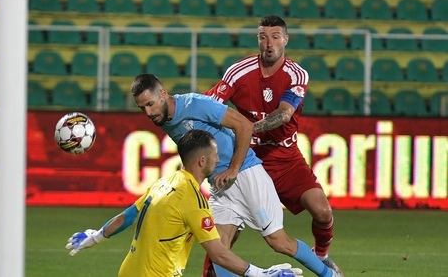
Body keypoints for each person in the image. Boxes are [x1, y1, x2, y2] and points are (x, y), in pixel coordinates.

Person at [126, 73, 342, 277]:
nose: (148, 112)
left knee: (278, 242)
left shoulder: (195, 104)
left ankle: (329, 274)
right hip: (220, 186)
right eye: (142, 107)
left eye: (150, 104)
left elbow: (244, 126)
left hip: (246, 175)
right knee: (219, 251)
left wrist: (234, 168)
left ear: (163, 93)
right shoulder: (164, 120)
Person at [203, 15, 343, 276]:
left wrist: (246, 129)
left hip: (285, 159)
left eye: (275, 37)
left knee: (323, 212)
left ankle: (321, 257)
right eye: (263, 37)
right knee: (222, 242)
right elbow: (211, 104)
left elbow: (284, 114)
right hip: (246, 161)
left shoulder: (296, 74)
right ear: (258, 39)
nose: (269, 43)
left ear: (286, 40)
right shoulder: (238, 72)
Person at [65, 129, 303, 277]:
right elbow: (219, 254)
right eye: (215, 155)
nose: (219, 159)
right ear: (202, 161)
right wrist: (262, 274)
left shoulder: (163, 182)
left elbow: (127, 217)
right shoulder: (194, 201)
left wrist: (95, 236)